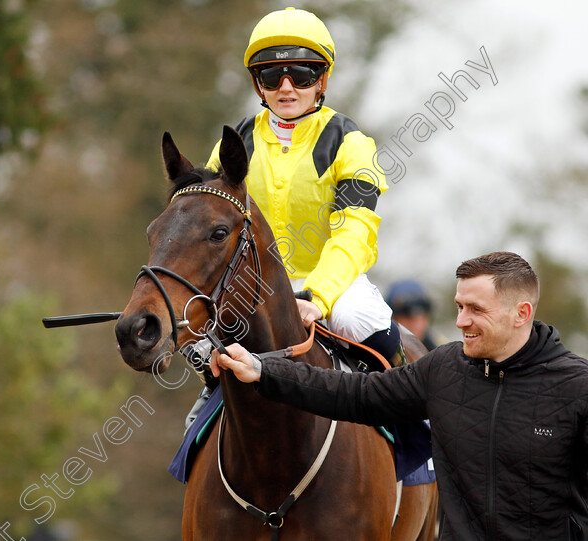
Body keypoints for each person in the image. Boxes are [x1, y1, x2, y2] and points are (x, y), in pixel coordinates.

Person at [211, 251, 588, 541]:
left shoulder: (578, 388)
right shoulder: (443, 369)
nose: (460, 322)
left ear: (521, 313)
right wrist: (263, 370)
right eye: (459, 307)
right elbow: (355, 393)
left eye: (475, 310)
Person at [185, 7, 399, 430]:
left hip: (330, 283)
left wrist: (317, 298)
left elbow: (354, 231)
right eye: (271, 76)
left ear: (321, 79)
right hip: (251, 287)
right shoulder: (233, 143)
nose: (286, 87)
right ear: (257, 84)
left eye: (300, 73)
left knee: (358, 319)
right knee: (196, 341)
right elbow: (201, 226)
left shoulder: (350, 143)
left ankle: (407, 420)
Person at [385, 278, 446, 351]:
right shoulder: (379, 352)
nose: (416, 325)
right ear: (392, 320)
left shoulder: (441, 351)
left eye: (422, 317)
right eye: (407, 317)